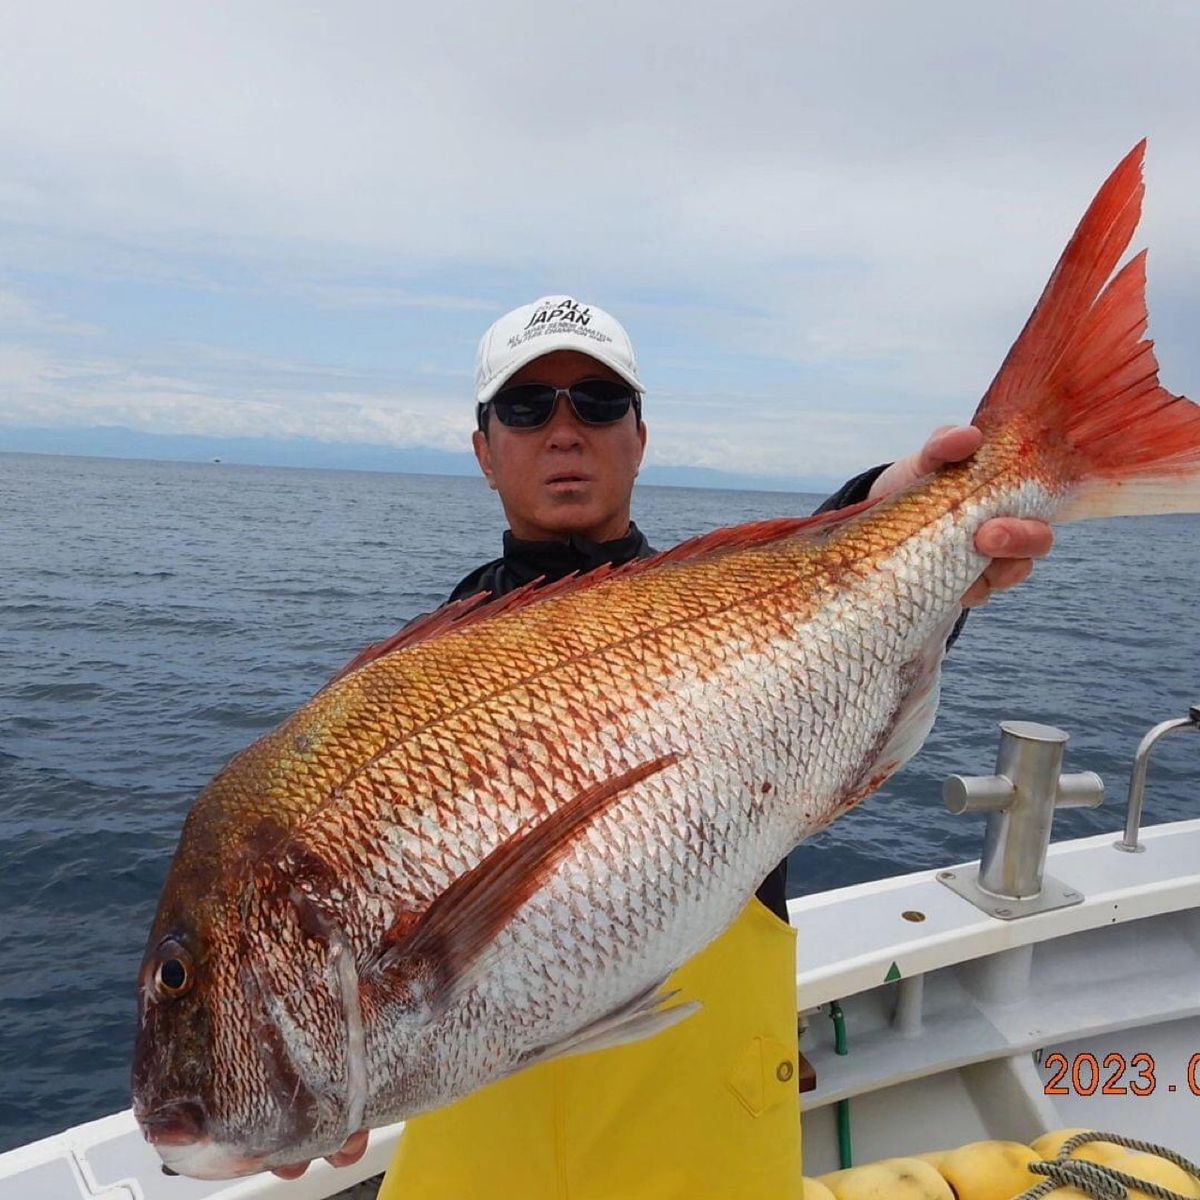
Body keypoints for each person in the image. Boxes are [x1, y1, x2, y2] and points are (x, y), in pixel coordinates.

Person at [277, 295, 1053, 1195]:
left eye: (598, 403)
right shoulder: (407, 701)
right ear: (484, 449)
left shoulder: (739, 634)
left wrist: (910, 516)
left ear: (640, 436)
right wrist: (322, 1063)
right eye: (526, 409)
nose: (564, 431)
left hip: (708, 1156)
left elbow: (826, 617)